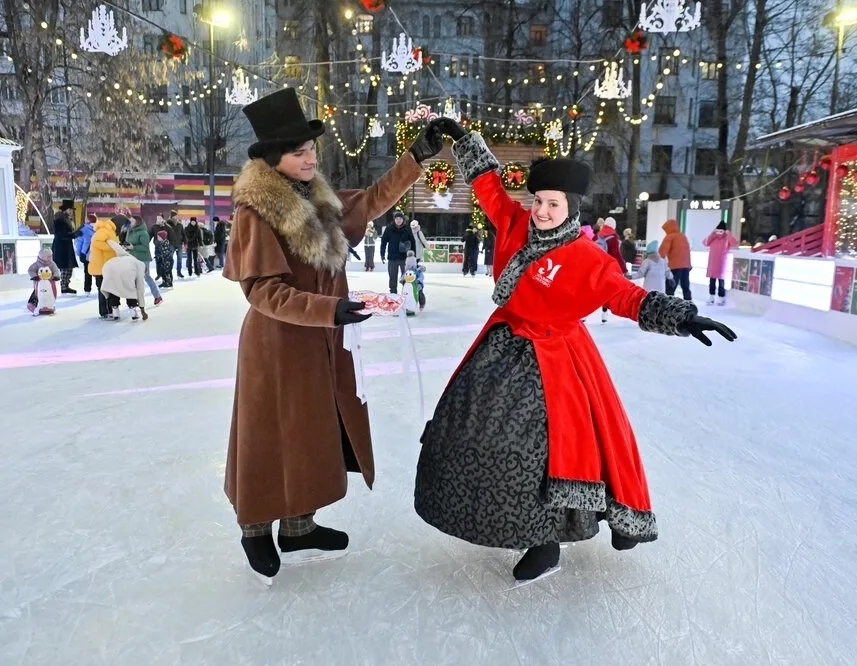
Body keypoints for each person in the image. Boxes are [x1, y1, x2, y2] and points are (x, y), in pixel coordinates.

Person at [414, 120, 736, 582]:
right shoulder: (512, 223)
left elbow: (626, 297)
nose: (542, 211)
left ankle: (546, 543)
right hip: (502, 345)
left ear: (571, 208)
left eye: (553, 204)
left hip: (556, 359)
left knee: (540, 450)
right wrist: (461, 136)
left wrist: (680, 315)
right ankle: (494, 518)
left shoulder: (587, 258)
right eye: (539, 201)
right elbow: (486, 181)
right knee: (474, 432)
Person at [222, 88, 445, 582]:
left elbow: (370, 201)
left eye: (310, 149)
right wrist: (333, 309)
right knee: (269, 435)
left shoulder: (315, 197)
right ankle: (255, 529)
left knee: (312, 432)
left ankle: (300, 526)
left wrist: (416, 157)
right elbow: (263, 292)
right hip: (276, 346)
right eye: (299, 152)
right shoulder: (255, 212)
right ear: (272, 161)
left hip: (321, 335)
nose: (310, 158)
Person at [101, 240, 148, 321]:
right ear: (144, 270)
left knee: (113, 289)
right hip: (124, 270)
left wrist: (109, 241)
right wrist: (142, 309)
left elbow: (119, 249)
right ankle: (133, 312)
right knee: (130, 290)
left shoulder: (131, 258)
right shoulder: (140, 267)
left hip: (109, 266)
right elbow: (140, 290)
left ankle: (115, 312)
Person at [125, 215, 163, 305]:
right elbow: (128, 243)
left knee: (146, 277)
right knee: (133, 278)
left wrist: (133, 247)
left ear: (137, 222)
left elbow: (145, 247)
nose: (130, 223)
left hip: (143, 259)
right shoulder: (130, 231)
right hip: (133, 258)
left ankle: (157, 296)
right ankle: (136, 299)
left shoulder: (143, 233)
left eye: (132, 221)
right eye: (130, 221)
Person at [89, 215, 120, 319]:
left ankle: (108, 311)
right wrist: (111, 248)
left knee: (105, 289)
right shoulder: (105, 230)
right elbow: (97, 242)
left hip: (105, 265)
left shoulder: (107, 231)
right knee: (104, 289)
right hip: (102, 266)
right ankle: (106, 311)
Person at [380, 210, 417, 294]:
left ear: (403, 219)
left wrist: (414, 256)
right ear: (394, 219)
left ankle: (406, 294)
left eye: (400, 218)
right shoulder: (389, 228)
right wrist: (382, 254)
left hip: (404, 258)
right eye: (397, 218)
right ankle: (393, 294)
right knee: (392, 277)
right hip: (392, 258)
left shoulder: (407, 229)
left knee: (406, 277)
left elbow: (413, 242)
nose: (398, 220)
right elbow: (383, 242)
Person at [703, 222, 739, 305]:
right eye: (717, 231)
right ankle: (711, 298)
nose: (718, 233)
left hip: (721, 264)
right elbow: (705, 242)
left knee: (721, 283)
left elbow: (734, 243)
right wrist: (712, 233)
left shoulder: (726, 239)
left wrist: (728, 234)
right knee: (712, 282)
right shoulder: (713, 238)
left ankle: (721, 298)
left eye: (721, 231)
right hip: (712, 264)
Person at [51, 199, 80, 294]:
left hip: (65, 245)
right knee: (65, 267)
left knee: (68, 267)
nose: (71, 211)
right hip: (62, 246)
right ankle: (64, 286)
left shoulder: (65, 218)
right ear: (66, 209)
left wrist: (74, 234)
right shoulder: (60, 219)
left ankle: (65, 285)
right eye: (70, 209)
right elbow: (61, 234)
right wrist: (74, 234)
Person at [659, 219, 692, 300]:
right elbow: (687, 251)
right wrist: (689, 265)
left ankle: (669, 305)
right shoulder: (683, 236)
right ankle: (689, 304)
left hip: (674, 266)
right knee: (685, 286)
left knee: (670, 288)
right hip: (685, 266)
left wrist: (656, 260)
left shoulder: (669, 236)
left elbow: (662, 251)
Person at [26, 249, 60, 313]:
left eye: (50, 256)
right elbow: (30, 270)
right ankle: (32, 304)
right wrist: (34, 276)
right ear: (42, 257)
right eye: (48, 256)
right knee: (37, 293)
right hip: (39, 283)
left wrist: (56, 276)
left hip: (50, 283)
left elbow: (56, 270)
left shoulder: (52, 264)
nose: (50, 257)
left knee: (50, 294)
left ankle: (48, 305)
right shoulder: (37, 264)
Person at [74, 213, 96, 295]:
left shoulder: (83, 229)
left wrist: (79, 253)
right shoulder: (99, 229)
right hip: (97, 254)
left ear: (88, 220)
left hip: (86, 254)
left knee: (87, 272)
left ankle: (87, 290)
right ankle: (100, 287)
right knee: (98, 272)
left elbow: (79, 243)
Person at [166, 210, 185, 279]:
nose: (176, 217)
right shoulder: (167, 224)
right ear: (172, 216)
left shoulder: (180, 225)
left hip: (179, 244)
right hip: (171, 244)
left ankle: (179, 272)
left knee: (179, 258)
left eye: (177, 215)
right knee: (170, 258)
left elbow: (183, 234)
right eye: (175, 215)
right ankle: (169, 272)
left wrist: (185, 243)